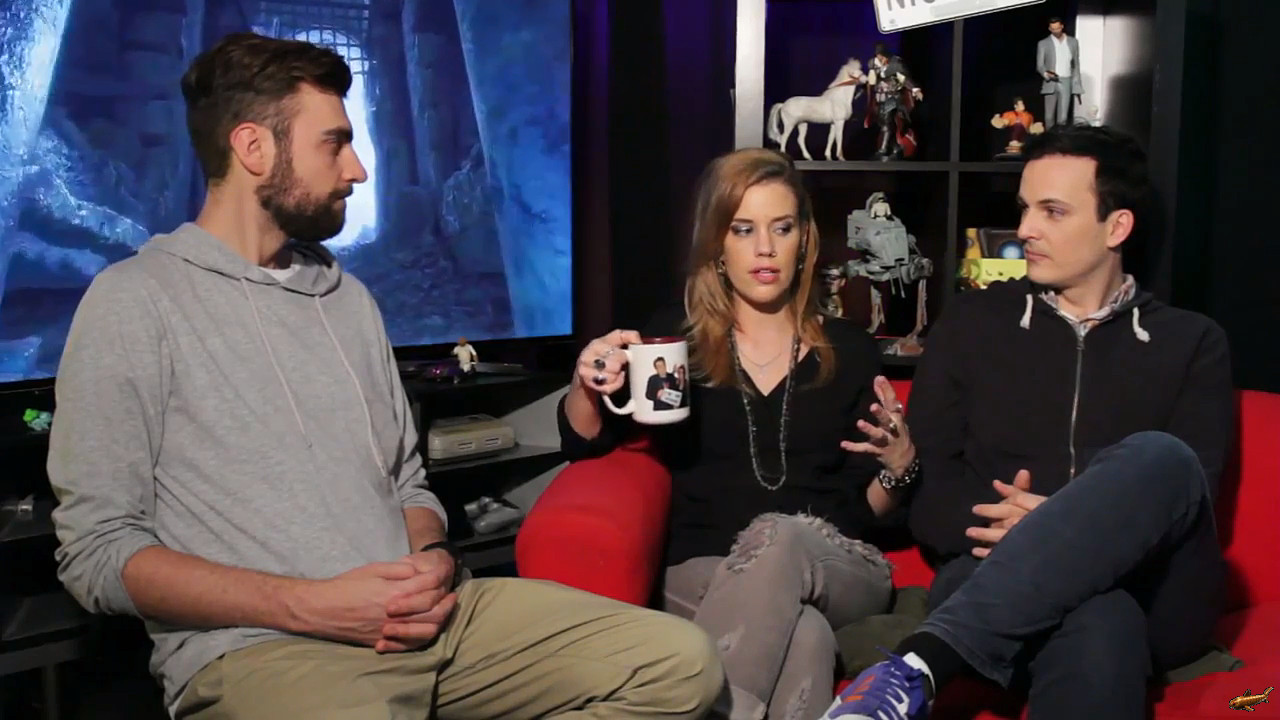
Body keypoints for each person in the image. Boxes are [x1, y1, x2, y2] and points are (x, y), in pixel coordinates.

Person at [47, 32, 722, 720]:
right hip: (267, 650)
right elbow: (97, 552)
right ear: (253, 149)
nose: (359, 169)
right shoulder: (134, 301)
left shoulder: (350, 300)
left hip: (438, 620)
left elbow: (406, 483)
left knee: (681, 667)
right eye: (334, 144)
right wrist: (309, 605)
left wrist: (432, 553)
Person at [823, 124, 1234, 720]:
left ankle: (918, 664)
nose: (1024, 230)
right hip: (988, 572)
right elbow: (931, 497)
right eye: (1024, 208)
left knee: (1163, 457)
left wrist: (1053, 526)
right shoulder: (971, 324)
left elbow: (1188, 499)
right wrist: (1028, 542)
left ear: (1116, 227)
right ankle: (917, 670)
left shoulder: (1192, 342)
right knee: (1100, 619)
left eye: (1052, 211)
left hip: (1152, 587)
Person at [559, 147, 922, 720]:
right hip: (703, 568)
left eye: (782, 228)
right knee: (804, 635)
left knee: (781, 536)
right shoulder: (673, 343)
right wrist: (588, 380)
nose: (765, 248)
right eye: (743, 229)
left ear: (804, 239)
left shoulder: (850, 349)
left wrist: (900, 466)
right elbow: (586, 444)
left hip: (836, 565)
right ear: (717, 245)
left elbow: (869, 511)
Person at [1036, 17, 1082, 128]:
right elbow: (1040, 65)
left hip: (1066, 80)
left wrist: (1077, 85)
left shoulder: (1072, 42)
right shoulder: (1043, 43)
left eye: (1057, 28)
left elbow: (1075, 64)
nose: (1056, 31)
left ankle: (1060, 137)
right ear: (1049, 29)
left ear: (1062, 26)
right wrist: (1046, 74)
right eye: (1053, 29)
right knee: (1049, 117)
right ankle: (1049, 137)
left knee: (1063, 118)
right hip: (1051, 81)